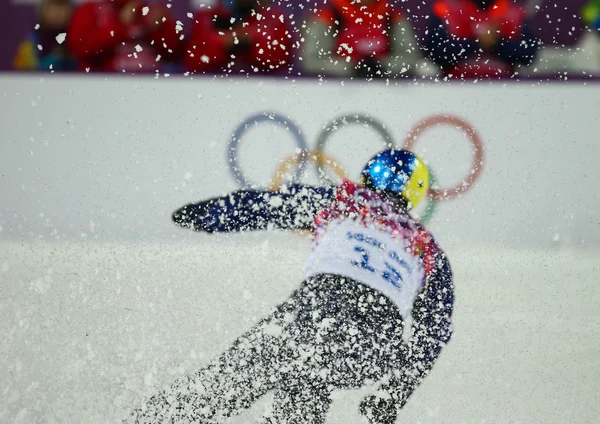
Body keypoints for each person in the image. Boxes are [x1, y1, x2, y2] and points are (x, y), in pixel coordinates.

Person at [127, 149, 455, 424]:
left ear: (368, 176)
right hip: (373, 348)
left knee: (224, 385)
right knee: (308, 379)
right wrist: (395, 393)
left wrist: (208, 215)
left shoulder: (344, 200)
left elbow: (265, 206)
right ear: (415, 192)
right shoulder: (429, 249)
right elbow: (433, 333)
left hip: (314, 317)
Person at [301, 0, 439, 79]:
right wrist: (352, 68)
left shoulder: (392, 17)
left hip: (386, 90)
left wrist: (381, 66)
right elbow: (311, 61)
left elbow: (411, 57)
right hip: (338, 90)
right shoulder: (329, 16)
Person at [426, 0, 541, 78]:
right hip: (457, 85)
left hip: (504, 86)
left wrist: (496, 43)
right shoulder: (446, 9)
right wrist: (477, 42)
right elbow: (436, 52)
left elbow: (528, 54)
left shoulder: (511, 11)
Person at [67, 0, 181, 73]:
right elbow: (81, 50)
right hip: (105, 84)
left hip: (152, 83)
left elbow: (176, 54)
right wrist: (120, 26)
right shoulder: (90, 9)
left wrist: (157, 30)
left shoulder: (153, 10)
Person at [184, 0, 292, 74]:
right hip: (213, 83)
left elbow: (280, 59)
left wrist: (252, 41)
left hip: (264, 85)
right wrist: (223, 43)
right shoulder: (207, 16)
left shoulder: (273, 17)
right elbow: (193, 60)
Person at [13, 0, 76, 71]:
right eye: (53, 8)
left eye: (62, 7)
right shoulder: (33, 41)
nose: (58, 13)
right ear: (43, 10)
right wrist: (53, 59)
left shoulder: (75, 38)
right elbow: (23, 71)